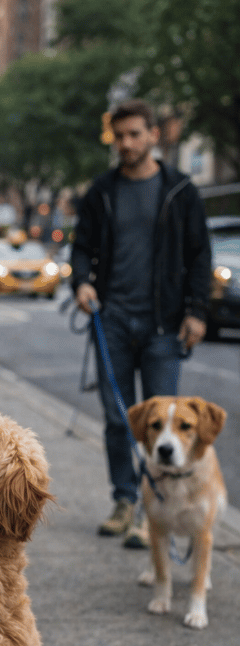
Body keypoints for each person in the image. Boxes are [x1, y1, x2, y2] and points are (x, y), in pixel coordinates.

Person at [71, 99, 211, 547]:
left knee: (165, 423)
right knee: (118, 419)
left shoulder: (181, 190)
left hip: (163, 326)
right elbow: (80, 249)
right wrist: (81, 283)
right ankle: (125, 500)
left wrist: (197, 312)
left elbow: (199, 256)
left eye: (135, 134)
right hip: (110, 319)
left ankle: (157, 512)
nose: (127, 143)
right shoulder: (101, 192)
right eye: (120, 135)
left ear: (154, 134)